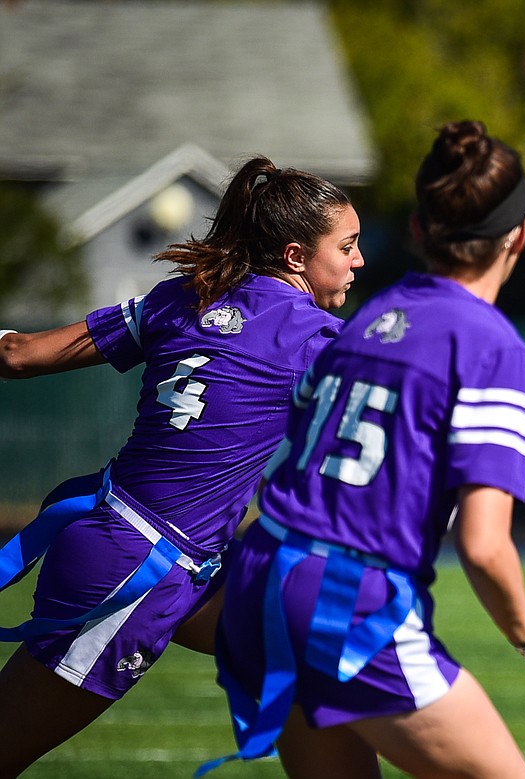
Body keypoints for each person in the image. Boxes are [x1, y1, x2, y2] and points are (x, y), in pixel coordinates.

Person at [201, 120, 525, 779]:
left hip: (261, 571)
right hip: (344, 594)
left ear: (420, 231)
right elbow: (483, 545)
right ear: (522, 234)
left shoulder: (375, 311)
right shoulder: (493, 344)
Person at [0, 156, 365, 777]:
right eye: (349, 246)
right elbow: (446, 437)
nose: (359, 261)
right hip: (137, 572)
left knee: (306, 669)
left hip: (155, 550)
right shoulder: (312, 339)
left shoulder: (181, 298)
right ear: (298, 256)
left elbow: (17, 355)